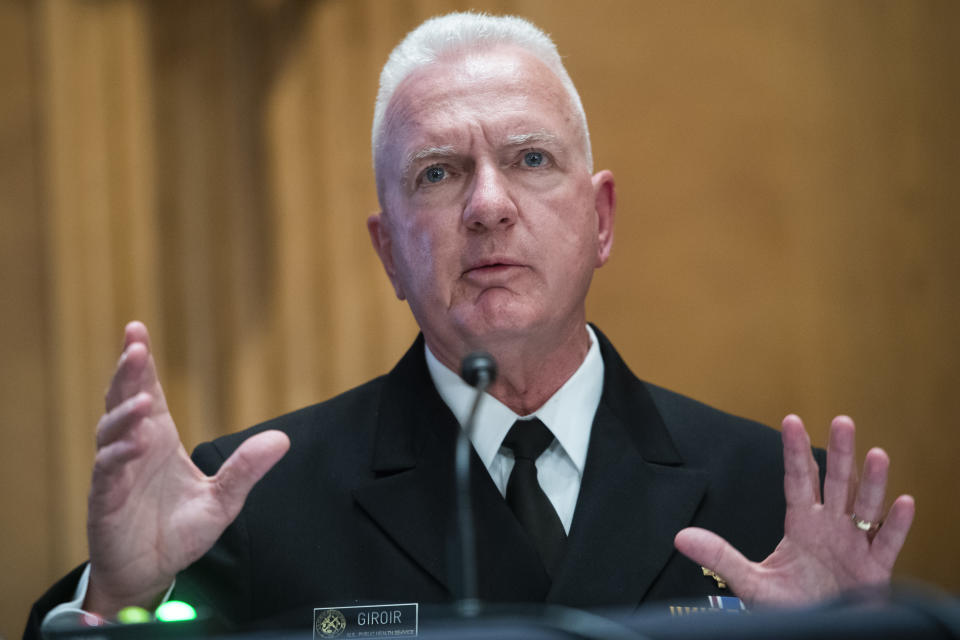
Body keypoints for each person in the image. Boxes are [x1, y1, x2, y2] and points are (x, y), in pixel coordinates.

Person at [26, 12, 915, 635]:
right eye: (439, 174)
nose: (488, 206)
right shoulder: (241, 508)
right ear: (387, 252)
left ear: (600, 219)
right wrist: (118, 602)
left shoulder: (780, 499)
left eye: (530, 159)